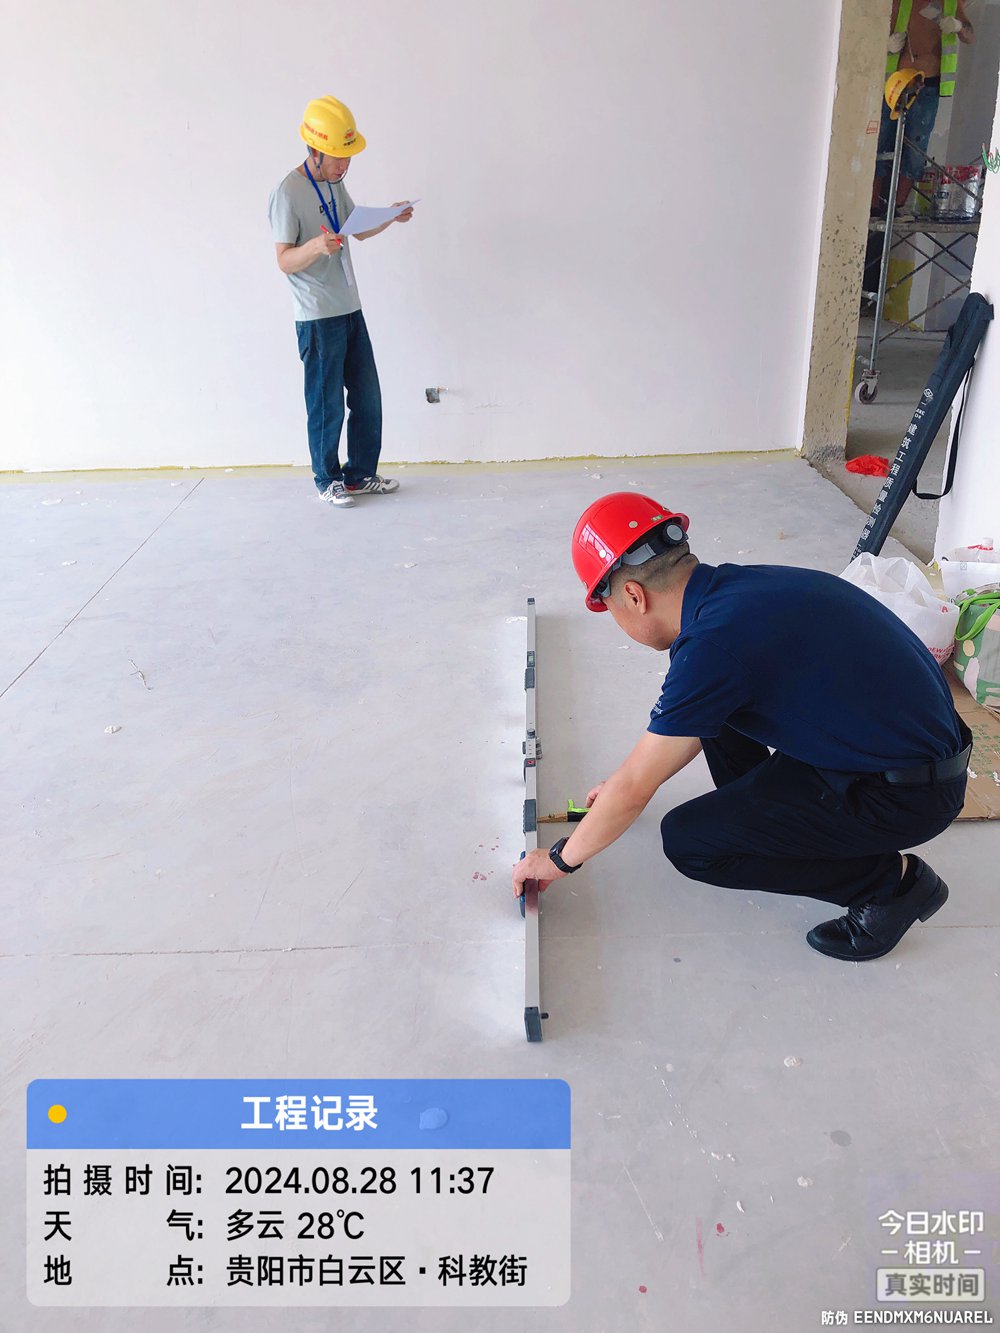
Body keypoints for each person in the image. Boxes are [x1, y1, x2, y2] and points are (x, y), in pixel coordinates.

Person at [512, 493, 972, 962]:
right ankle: (769, 823)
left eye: (610, 609)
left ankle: (891, 887)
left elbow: (635, 789)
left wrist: (559, 860)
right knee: (713, 714)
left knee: (691, 842)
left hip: (904, 796)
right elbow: (670, 738)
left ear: (633, 595)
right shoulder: (740, 592)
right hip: (897, 750)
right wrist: (621, 786)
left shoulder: (713, 644)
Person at [268, 96, 414, 507]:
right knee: (326, 403)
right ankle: (326, 479)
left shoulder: (334, 183)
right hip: (317, 316)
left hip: (350, 307)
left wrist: (390, 214)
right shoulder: (287, 192)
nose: (344, 165)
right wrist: (316, 246)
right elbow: (283, 260)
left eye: (348, 157)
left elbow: (356, 229)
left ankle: (359, 475)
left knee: (367, 397)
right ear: (314, 150)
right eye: (337, 157)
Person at [872, 0, 974, 216]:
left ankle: (896, 207)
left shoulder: (949, 3)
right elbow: (870, 31)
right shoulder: (899, 2)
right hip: (896, 83)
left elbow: (969, 36)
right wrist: (885, 44)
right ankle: (871, 205)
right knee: (880, 143)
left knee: (915, 149)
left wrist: (958, 26)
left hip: (928, 85)